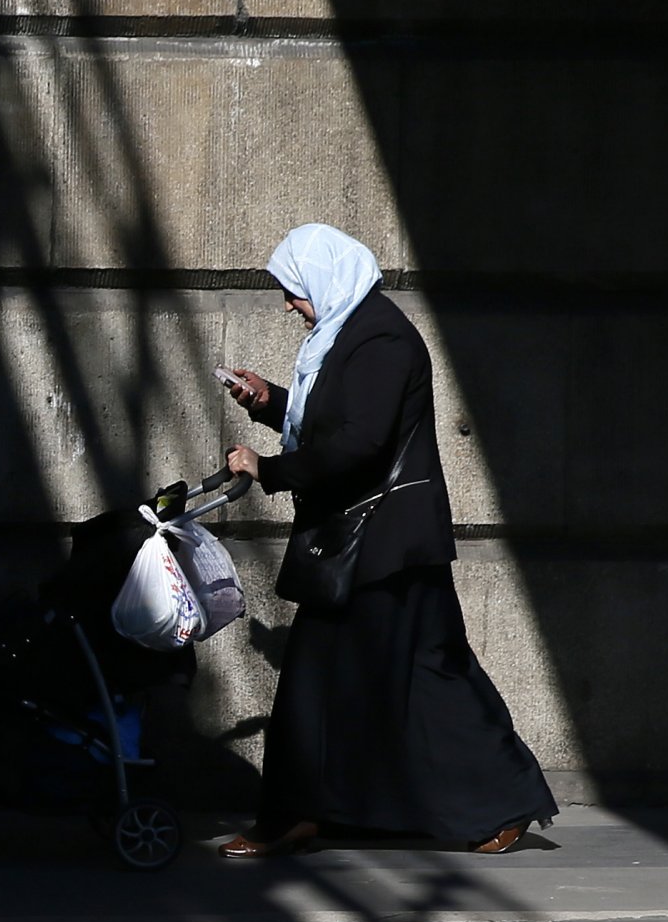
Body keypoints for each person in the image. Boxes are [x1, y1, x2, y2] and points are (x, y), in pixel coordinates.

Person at [214, 222, 557, 858]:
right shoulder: (352, 332)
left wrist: (269, 469)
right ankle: (494, 804)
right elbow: (337, 422)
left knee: (346, 682)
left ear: (323, 278)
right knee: (425, 675)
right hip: (383, 544)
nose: (289, 304)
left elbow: (359, 444)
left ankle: (297, 815)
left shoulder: (379, 337)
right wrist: (270, 403)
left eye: (293, 290)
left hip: (380, 545)